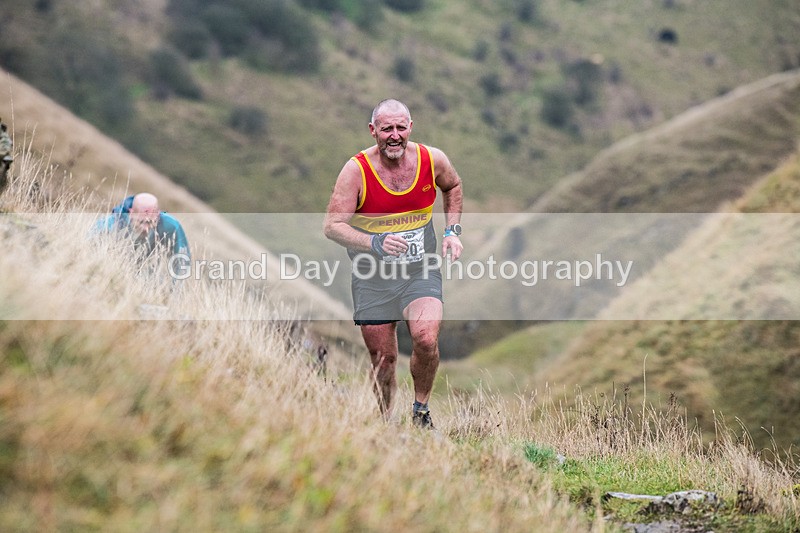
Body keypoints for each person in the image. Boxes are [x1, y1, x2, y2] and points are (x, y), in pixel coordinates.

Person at [324, 99, 463, 429]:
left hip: (420, 271)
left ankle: (421, 411)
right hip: (372, 276)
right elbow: (332, 226)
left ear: (410, 127)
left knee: (426, 339)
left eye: (401, 127)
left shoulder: (432, 160)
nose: (395, 135)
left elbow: (453, 186)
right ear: (373, 131)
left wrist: (452, 231)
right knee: (383, 359)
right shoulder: (356, 171)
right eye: (387, 129)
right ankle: (386, 422)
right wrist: (374, 243)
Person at [94, 192, 190, 280]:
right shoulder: (111, 224)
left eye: (149, 223)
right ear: (131, 213)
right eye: (141, 222)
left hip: (146, 273)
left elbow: (182, 259)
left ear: (157, 215)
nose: (146, 229)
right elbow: (89, 245)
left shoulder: (171, 226)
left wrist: (175, 291)